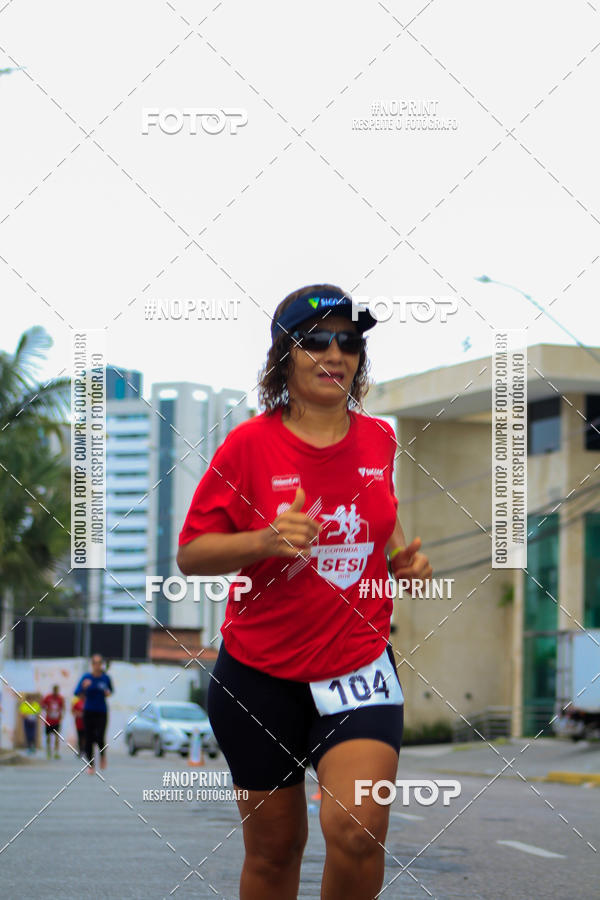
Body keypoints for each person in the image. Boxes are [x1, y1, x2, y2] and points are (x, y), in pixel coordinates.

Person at [177, 285, 433, 899]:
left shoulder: (379, 439)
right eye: (315, 339)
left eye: (348, 341)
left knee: (358, 829)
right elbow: (190, 554)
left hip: (358, 666)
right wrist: (263, 540)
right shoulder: (249, 446)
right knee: (274, 850)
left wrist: (398, 555)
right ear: (284, 356)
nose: (334, 352)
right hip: (259, 675)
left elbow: (380, 507)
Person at [74, 654, 114, 774]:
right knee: (89, 738)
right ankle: (90, 764)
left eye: (99, 663)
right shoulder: (86, 677)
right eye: (95, 663)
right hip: (89, 710)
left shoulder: (105, 678)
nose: (97, 665)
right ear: (92, 665)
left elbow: (110, 691)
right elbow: (76, 692)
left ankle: (102, 756)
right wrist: (83, 687)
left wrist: (107, 693)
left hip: (101, 711)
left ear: (101, 664)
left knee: (100, 736)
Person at [41, 684, 64, 759]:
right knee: (48, 737)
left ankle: (56, 752)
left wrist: (61, 715)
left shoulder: (60, 698)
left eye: (57, 690)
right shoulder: (48, 697)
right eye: (55, 690)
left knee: (57, 737)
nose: (56, 692)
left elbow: (63, 707)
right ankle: (48, 752)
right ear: (53, 690)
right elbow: (42, 705)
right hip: (48, 720)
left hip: (56, 720)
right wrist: (47, 709)